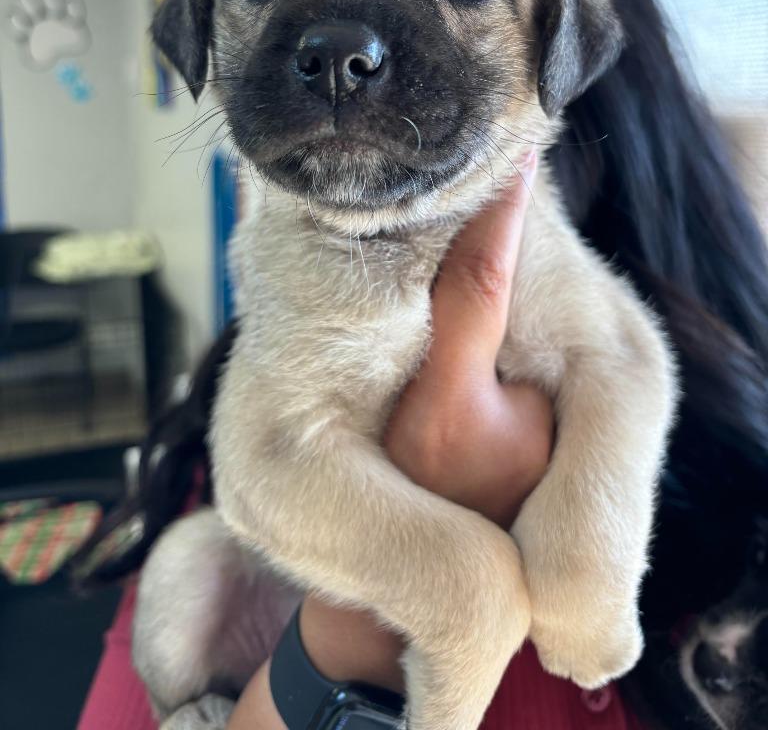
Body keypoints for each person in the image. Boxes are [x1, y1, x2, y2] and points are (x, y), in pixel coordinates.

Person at [79, 165, 642, 730]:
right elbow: (264, 469)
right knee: (188, 571)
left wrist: (586, 566)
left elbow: (624, 366)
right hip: (270, 609)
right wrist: (418, 606)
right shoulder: (201, 458)